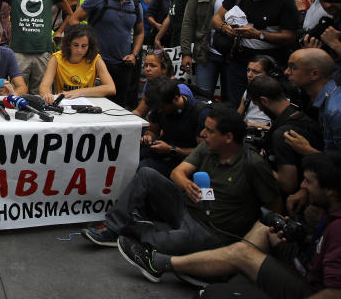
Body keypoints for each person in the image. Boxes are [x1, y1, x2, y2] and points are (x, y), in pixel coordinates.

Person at [119, 152, 341, 296]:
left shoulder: (338, 228)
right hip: (306, 259)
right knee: (265, 227)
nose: (302, 185)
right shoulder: (326, 212)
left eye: (309, 182)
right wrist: (302, 237)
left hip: (311, 286)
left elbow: (333, 292)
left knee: (241, 253)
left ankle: (158, 263)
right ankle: (224, 269)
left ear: (330, 189)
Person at [82, 106, 281, 254]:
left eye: (210, 131)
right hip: (187, 208)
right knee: (147, 174)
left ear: (228, 137)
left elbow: (274, 207)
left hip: (212, 231)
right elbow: (177, 172)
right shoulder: (208, 147)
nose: (203, 134)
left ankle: (137, 230)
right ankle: (113, 227)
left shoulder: (253, 165)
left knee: (163, 245)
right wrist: (186, 184)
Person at [211, 0, 301, 106]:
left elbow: (290, 37)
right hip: (240, 61)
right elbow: (215, 18)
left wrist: (258, 34)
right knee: (237, 103)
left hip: (270, 63)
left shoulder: (284, 2)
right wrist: (224, 28)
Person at [61, 0, 143, 108]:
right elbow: (74, 20)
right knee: (93, 106)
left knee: (119, 108)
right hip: (97, 63)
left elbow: (140, 32)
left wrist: (134, 54)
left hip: (123, 65)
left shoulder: (135, 5)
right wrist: (85, 46)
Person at [180, 0, 242, 100]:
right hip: (206, 53)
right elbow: (188, 21)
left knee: (232, 100)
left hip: (235, 56)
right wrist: (186, 52)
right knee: (203, 99)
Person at [247, 75, 322, 195]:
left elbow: (287, 185)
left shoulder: (282, 135)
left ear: (264, 101)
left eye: (258, 104)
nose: (260, 110)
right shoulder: (305, 118)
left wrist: (260, 164)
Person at [138, 77, 211, 177]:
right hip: (164, 152)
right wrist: (148, 138)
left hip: (186, 163)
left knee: (142, 168)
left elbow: (203, 153)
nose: (159, 111)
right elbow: (152, 131)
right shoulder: (160, 105)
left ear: (176, 98)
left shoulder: (200, 113)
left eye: (162, 107)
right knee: (131, 158)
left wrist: (172, 150)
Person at [37, 23, 116, 100]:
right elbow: (44, 86)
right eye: (75, 45)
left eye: (84, 46)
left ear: (90, 46)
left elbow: (111, 88)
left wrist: (78, 92)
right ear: (68, 44)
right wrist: (47, 95)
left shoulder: (96, 59)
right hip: (64, 102)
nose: (79, 50)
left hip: (88, 102)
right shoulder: (56, 58)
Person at [284, 48, 341, 154]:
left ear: (314, 74)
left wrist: (308, 151)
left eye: (293, 68)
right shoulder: (329, 98)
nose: (286, 72)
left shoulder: (336, 111)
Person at [132, 48, 176, 118]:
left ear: (164, 69)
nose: (147, 69)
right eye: (146, 65)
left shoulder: (177, 88)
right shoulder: (150, 83)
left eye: (152, 66)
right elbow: (139, 112)